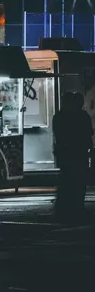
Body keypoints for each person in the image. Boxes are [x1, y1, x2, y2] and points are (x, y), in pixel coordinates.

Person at [52, 91, 92, 222]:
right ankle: (77, 208)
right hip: (79, 154)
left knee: (67, 181)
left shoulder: (59, 116)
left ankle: (64, 208)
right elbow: (88, 135)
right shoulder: (82, 116)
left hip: (67, 155)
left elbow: (58, 136)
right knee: (79, 183)